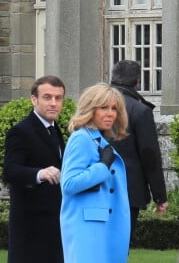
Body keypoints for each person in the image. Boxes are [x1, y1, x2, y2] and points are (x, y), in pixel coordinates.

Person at [60, 82, 131, 263]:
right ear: (90, 109)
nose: (110, 114)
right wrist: (102, 166)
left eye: (114, 108)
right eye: (104, 107)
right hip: (88, 228)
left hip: (102, 225)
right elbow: (68, 184)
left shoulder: (97, 139)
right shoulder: (82, 138)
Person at [3, 75, 65, 263]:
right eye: (47, 97)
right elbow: (10, 170)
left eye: (58, 98)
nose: (53, 103)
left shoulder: (56, 130)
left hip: (54, 220)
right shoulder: (20, 131)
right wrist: (40, 173)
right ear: (34, 99)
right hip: (30, 223)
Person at [110, 60, 168, 237]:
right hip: (129, 189)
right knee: (121, 245)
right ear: (137, 82)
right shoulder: (140, 110)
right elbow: (149, 155)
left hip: (98, 186)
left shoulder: (96, 105)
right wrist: (160, 196)